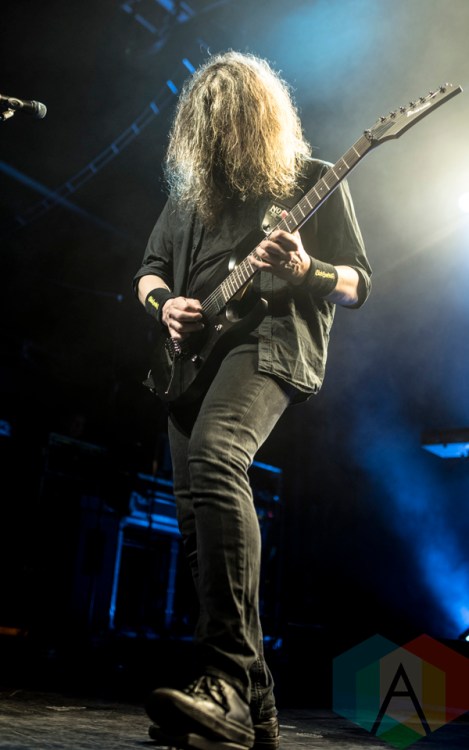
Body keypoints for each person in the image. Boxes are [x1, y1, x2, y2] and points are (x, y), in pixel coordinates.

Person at [133, 50, 371, 750]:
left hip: (269, 343)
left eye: (229, 119)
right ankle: (255, 701)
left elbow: (359, 284)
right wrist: (163, 305)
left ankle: (226, 682)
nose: (217, 134)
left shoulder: (311, 177)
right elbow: (147, 271)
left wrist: (304, 267)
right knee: (193, 519)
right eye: (205, 123)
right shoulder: (188, 199)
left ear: (259, 117)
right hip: (189, 366)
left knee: (216, 460)